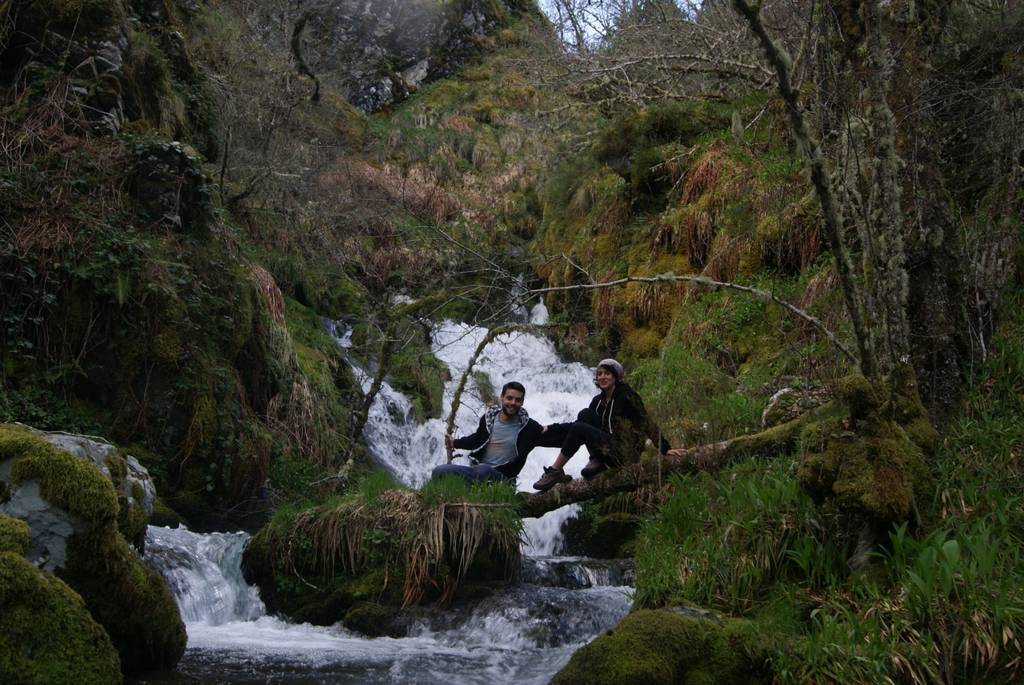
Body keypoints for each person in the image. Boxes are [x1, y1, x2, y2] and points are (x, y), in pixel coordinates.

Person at [533, 358, 673, 492]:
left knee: (580, 427)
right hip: (608, 449)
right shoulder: (597, 401)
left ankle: (555, 471)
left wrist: (665, 449)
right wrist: (550, 428)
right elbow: (576, 428)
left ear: (615, 376)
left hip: (625, 453)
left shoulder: (627, 396)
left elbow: (646, 422)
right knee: (585, 415)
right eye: (599, 374)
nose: (602, 377)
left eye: (607, 373)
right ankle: (598, 461)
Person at [431, 381, 552, 485]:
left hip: (504, 480)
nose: (513, 403)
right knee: (439, 471)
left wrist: (553, 428)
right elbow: (476, 440)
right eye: (509, 398)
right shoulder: (489, 419)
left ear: (522, 402)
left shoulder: (530, 428)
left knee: (483, 470)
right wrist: (455, 443)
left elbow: (555, 436)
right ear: (502, 397)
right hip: (477, 472)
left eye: (517, 400)